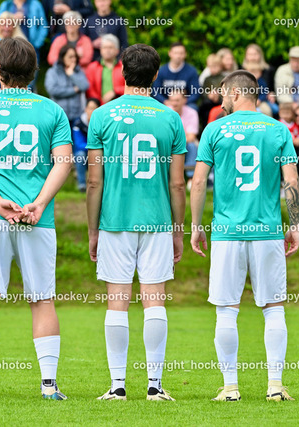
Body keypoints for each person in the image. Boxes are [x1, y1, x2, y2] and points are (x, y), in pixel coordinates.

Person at [0, 37, 72, 401]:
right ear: (35, 70)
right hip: (37, 217)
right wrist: (38, 203)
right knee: (42, 299)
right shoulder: (52, 110)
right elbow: (64, 163)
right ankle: (49, 386)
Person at [190, 70, 299, 402]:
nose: (221, 98)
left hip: (227, 232)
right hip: (267, 231)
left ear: (236, 93)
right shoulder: (278, 130)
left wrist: (196, 225)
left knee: (226, 309)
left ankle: (230, 388)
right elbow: (291, 182)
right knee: (274, 308)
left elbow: (198, 182)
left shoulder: (214, 129)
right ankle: (275, 386)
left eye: (224, 92)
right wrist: (294, 224)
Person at [86, 43, 186, 401]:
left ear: (121, 72)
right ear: (156, 75)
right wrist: (178, 231)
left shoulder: (101, 116)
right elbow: (177, 183)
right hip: (157, 220)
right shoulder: (170, 118)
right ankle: (155, 385)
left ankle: (117, 386)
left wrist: (93, 231)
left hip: (115, 220)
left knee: (117, 301)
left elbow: (94, 181)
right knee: (154, 300)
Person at [45, 46, 89, 122]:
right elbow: (52, 90)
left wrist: (72, 74)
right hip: (58, 115)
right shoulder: (53, 72)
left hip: (76, 116)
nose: (73, 59)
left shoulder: (78, 71)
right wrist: (74, 90)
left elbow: (85, 86)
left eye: (75, 56)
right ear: (63, 57)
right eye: (70, 57)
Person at [152, 42, 201, 109]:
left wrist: (184, 102)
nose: (178, 56)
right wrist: (165, 101)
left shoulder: (191, 71)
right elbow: (155, 92)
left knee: (193, 107)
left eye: (181, 53)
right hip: (165, 103)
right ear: (170, 53)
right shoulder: (161, 71)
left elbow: (196, 92)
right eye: (176, 53)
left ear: (185, 54)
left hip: (185, 104)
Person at [166, 88, 198, 182]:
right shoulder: (165, 112)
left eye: (177, 100)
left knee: (192, 146)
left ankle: (191, 177)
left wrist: (176, 142)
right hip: (169, 143)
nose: (174, 103)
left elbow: (191, 137)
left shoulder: (192, 113)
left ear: (184, 100)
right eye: (172, 100)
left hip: (185, 143)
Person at [84, 34, 124, 105]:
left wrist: (115, 91)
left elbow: (129, 88)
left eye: (110, 47)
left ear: (117, 50)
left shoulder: (123, 67)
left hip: (120, 104)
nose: (107, 50)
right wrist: (100, 103)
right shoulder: (92, 67)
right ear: (100, 50)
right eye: (105, 47)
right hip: (98, 105)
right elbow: (90, 90)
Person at [71, 97, 100, 191]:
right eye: (90, 108)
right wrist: (94, 148)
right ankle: (82, 185)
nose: (92, 111)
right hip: (84, 151)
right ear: (85, 109)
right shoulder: (78, 123)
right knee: (80, 155)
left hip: (98, 153)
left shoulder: (102, 123)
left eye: (94, 108)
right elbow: (78, 143)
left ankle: (101, 185)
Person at [198, 54, 224, 127]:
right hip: (209, 103)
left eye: (215, 66)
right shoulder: (207, 79)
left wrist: (218, 97)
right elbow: (203, 92)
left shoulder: (224, 78)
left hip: (220, 102)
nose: (212, 69)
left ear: (220, 66)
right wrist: (209, 95)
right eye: (210, 67)